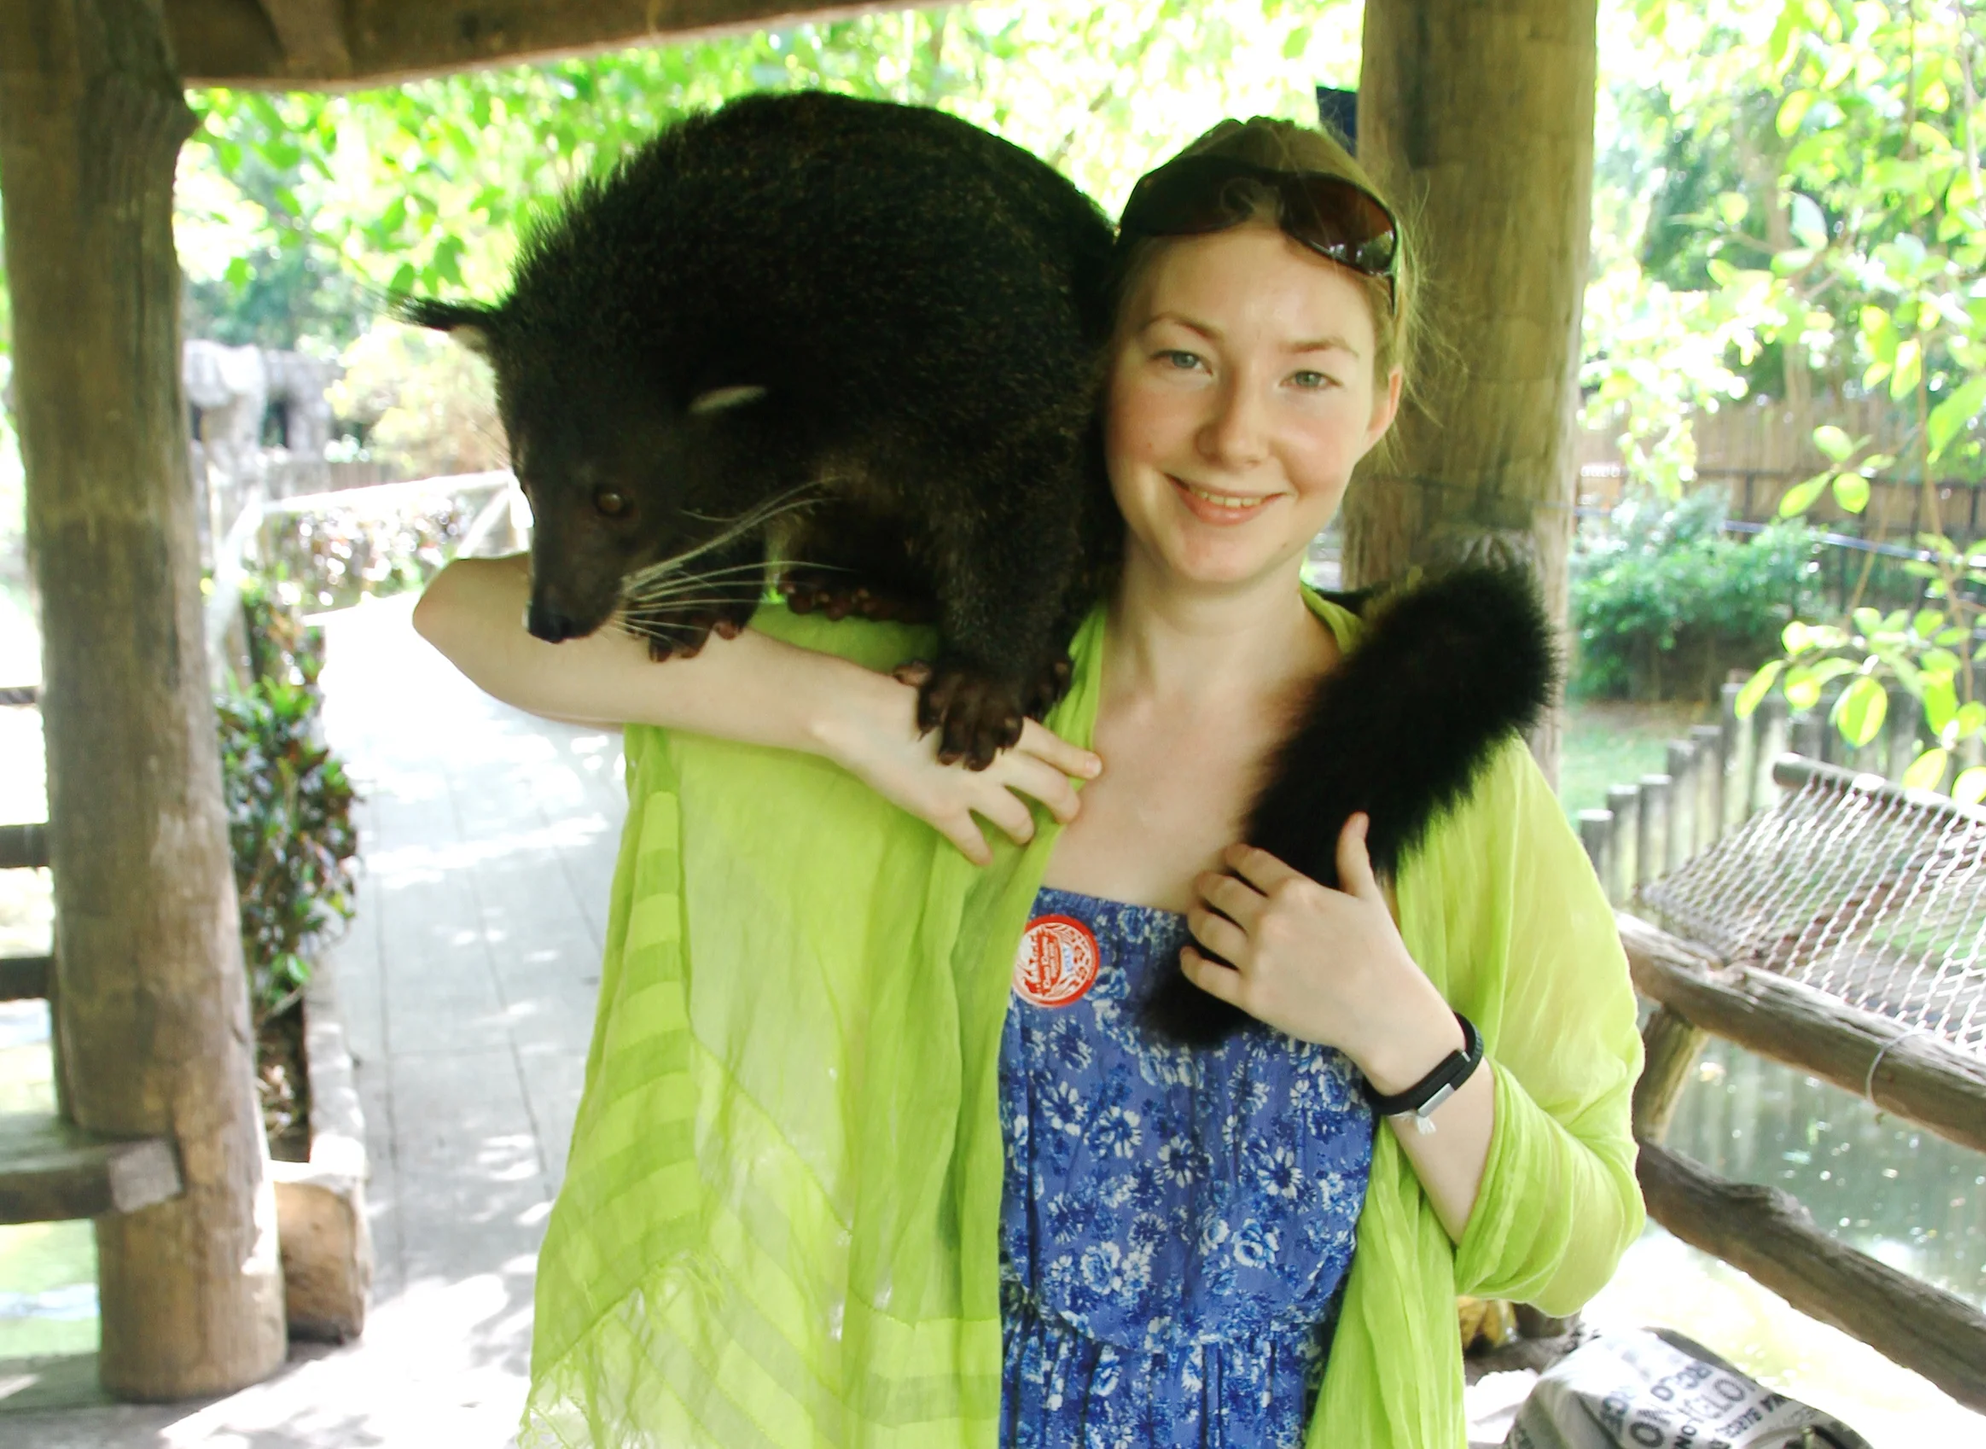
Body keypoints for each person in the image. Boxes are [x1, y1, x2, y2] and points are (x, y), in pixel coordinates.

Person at [414, 116, 1644, 1448]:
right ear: (1100, 370)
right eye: (1183, 359)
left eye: (1308, 376)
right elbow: (463, 616)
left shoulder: (1455, 789)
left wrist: (1400, 1031)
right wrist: (838, 715)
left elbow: (1579, 1245)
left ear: (1378, 407)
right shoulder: (967, 689)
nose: (1237, 435)